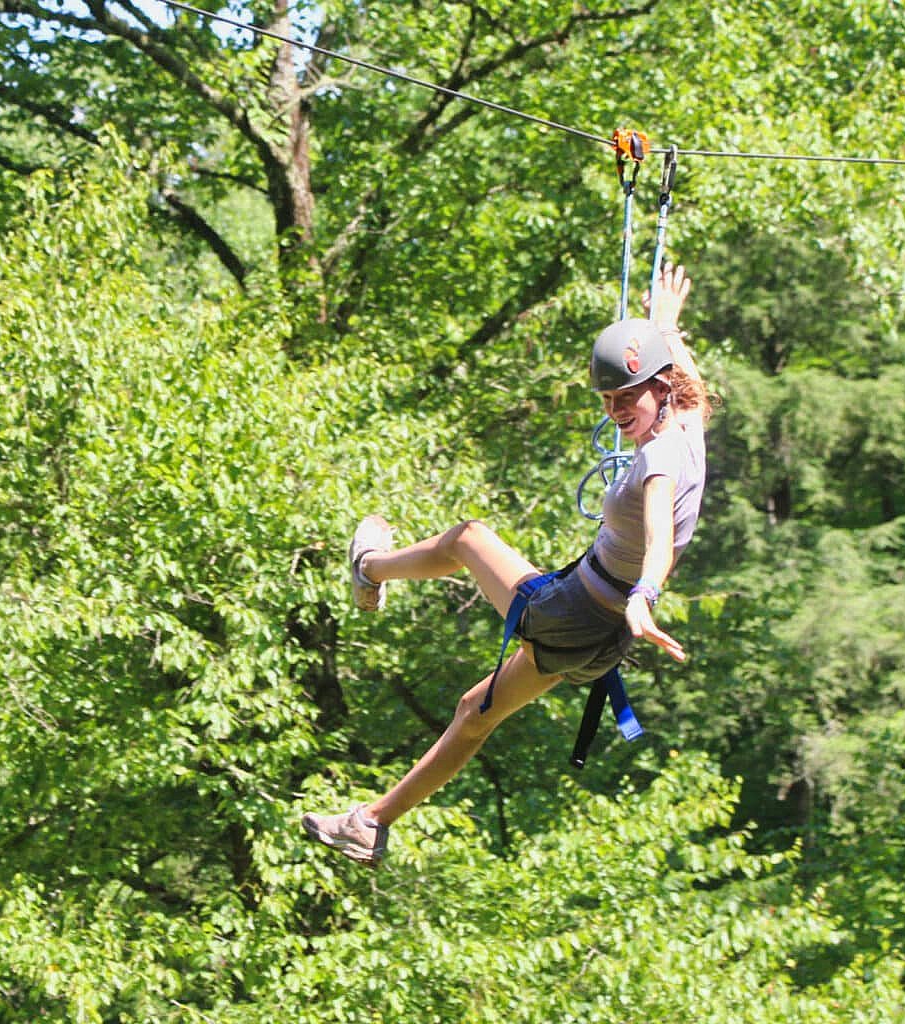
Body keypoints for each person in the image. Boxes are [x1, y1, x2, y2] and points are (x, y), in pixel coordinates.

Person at [302, 263, 710, 866]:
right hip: (598, 643)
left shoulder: (658, 463)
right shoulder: (689, 422)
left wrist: (645, 594)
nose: (616, 411)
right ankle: (370, 825)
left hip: (574, 614)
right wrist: (666, 324)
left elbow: (658, 535)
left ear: (659, 386)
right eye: (607, 400)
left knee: (467, 538)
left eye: (627, 398)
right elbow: (684, 376)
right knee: (475, 712)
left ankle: (370, 569)